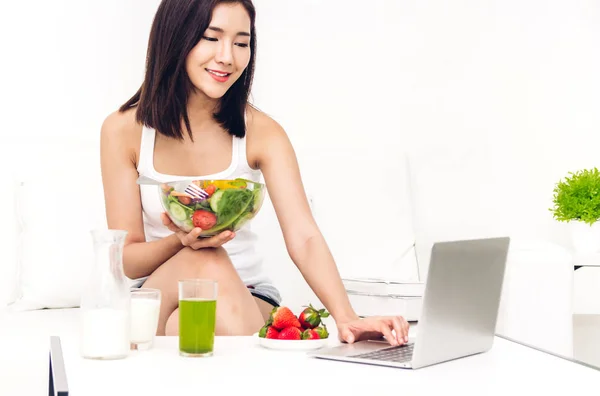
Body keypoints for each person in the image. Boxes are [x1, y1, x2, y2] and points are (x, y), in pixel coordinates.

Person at [100, 0, 410, 346]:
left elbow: (304, 236)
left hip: (248, 295)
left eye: (241, 42)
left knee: (184, 325)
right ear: (176, 37)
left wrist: (347, 317)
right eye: (211, 37)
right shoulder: (123, 130)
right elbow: (127, 260)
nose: (227, 57)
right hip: (157, 290)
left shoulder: (262, 132)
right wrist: (181, 242)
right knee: (205, 259)